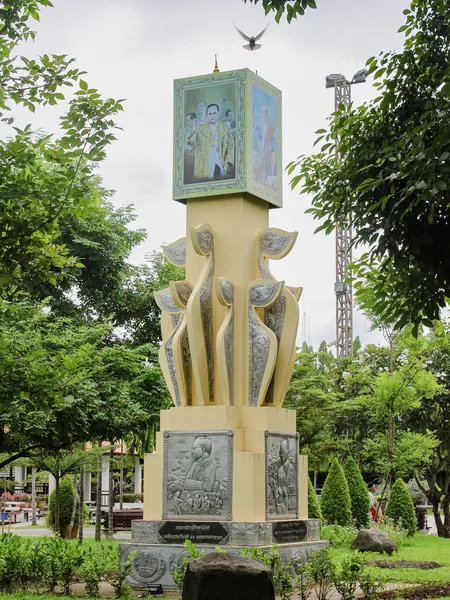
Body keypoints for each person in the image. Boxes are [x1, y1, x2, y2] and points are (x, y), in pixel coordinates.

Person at [188, 103, 235, 181]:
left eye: (214, 113)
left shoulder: (225, 129)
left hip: (219, 163)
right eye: (210, 114)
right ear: (206, 115)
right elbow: (191, 143)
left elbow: (230, 146)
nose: (212, 116)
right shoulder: (201, 129)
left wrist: (228, 161)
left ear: (218, 113)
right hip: (204, 165)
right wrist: (192, 131)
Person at [276, 437, 296, 513]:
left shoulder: (292, 469)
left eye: (283, 453)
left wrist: (287, 491)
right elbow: (278, 486)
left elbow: (294, 488)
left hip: (291, 505)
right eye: (280, 452)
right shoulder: (279, 471)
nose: (281, 455)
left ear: (288, 452)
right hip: (281, 505)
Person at [262, 108, 276, 185]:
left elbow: (271, 133)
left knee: (268, 159)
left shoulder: (270, 124)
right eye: (264, 114)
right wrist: (262, 144)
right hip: (265, 143)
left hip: (269, 143)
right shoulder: (264, 124)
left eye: (266, 114)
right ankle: (265, 177)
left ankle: (267, 177)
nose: (265, 116)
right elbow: (263, 135)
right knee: (265, 160)